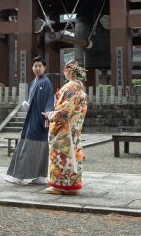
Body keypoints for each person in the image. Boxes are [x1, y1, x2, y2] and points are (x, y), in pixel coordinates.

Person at [5, 55, 54, 185]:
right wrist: (28, 105)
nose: (37, 68)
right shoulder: (34, 82)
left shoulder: (46, 82)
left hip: (41, 118)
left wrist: (48, 111)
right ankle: (41, 175)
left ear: (44, 68)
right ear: (32, 68)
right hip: (32, 117)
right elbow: (33, 99)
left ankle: (19, 176)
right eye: (35, 66)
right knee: (37, 145)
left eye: (39, 66)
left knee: (28, 146)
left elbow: (50, 99)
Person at [43, 60, 88, 195]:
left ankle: (58, 186)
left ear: (67, 71)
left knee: (60, 156)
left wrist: (50, 115)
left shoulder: (70, 87)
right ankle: (72, 186)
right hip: (74, 128)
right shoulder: (79, 87)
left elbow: (64, 110)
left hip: (64, 128)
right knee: (73, 156)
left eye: (65, 70)